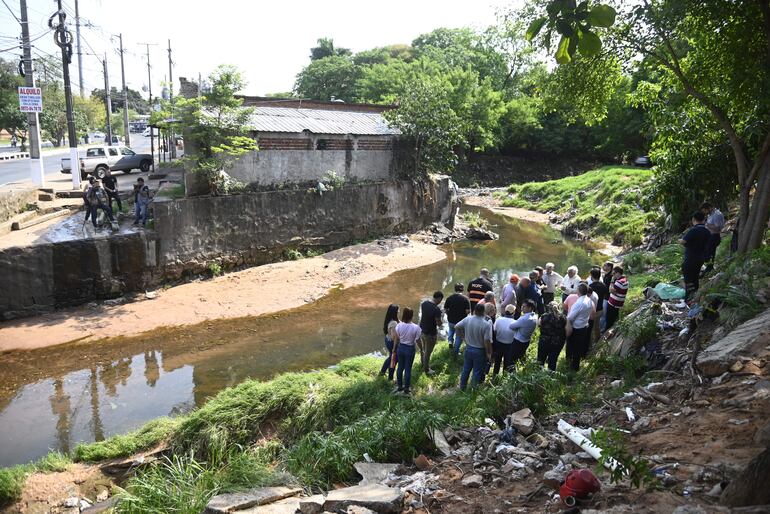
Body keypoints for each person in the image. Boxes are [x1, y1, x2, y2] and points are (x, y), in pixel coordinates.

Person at [455, 302, 493, 390]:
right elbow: (487, 341)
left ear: (475, 311)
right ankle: (473, 391)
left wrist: (462, 337)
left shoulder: (467, 319)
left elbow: (456, 327)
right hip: (480, 351)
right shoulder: (486, 324)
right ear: (483, 312)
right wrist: (489, 353)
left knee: (466, 369)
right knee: (477, 371)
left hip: (468, 348)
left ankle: (462, 388)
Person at [679, 211, 711, 299]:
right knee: (695, 277)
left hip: (691, 257)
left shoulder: (693, 230)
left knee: (688, 278)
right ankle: (695, 296)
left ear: (694, 219)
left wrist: (679, 240)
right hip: (701, 257)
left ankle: (689, 297)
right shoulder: (707, 231)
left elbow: (683, 241)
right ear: (704, 220)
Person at [565, 283, 594, 371]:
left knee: (572, 347)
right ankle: (575, 365)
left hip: (576, 329)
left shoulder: (579, 303)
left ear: (579, 291)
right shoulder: (589, 300)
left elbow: (570, 317)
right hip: (584, 326)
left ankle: (571, 365)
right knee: (579, 348)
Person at [393, 307, 421, 395]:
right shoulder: (416, 327)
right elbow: (418, 340)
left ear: (403, 315)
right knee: (408, 369)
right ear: (412, 316)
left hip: (400, 348)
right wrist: (422, 349)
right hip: (410, 349)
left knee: (400, 367)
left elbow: (396, 339)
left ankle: (399, 386)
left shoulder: (398, 325)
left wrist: (394, 349)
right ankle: (407, 388)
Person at [418, 291, 443, 374]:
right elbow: (439, 323)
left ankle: (423, 363)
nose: (440, 301)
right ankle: (427, 369)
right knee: (428, 352)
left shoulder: (424, 303)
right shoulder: (436, 309)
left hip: (422, 330)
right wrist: (440, 317)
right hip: (430, 333)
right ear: (439, 298)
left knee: (424, 349)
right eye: (441, 299)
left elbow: (427, 314)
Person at [538, 301, 567, 371]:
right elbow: (567, 330)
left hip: (544, 341)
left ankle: (538, 377)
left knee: (540, 361)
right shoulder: (563, 318)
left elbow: (539, 325)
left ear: (548, 308)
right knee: (553, 361)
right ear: (558, 308)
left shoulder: (544, 316)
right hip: (557, 342)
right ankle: (550, 377)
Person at [444, 283, 470, 355]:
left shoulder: (449, 298)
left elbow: (445, 309)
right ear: (462, 289)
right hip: (461, 322)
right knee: (459, 336)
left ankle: (450, 342)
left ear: (455, 289)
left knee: (451, 331)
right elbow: (468, 311)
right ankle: (455, 351)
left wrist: (449, 314)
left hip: (451, 320)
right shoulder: (465, 299)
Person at [701, 202, 725, 274]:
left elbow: (718, 228)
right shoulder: (710, 215)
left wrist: (707, 225)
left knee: (710, 253)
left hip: (714, 236)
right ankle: (709, 267)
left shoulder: (717, 215)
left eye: (705, 210)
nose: (704, 213)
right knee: (707, 252)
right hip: (710, 236)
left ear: (709, 208)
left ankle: (709, 268)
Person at [492, 304, 517, 375]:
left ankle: (494, 375)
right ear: (513, 312)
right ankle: (504, 376)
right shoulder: (515, 322)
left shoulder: (499, 320)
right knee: (507, 362)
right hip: (509, 345)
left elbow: (494, 331)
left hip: (498, 343)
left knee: (497, 361)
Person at [605, 266, 629, 331]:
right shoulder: (625, 280)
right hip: (617, 304)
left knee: (609, 321)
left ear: (618, 273)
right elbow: (614, 291)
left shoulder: (619, 282)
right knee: (614, 319)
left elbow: (610, 290)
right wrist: (614, 291)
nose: (613, 275)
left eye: (614, 273)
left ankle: (606, 335)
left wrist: (612, 281)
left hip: (613, 304)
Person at [588, 268, 608, 343]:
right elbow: (605, 294)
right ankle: (597, 341)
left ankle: (590, 343)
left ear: (592, 276)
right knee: (597, 326)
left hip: (592, 310)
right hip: (600, 308)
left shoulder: (590, 286)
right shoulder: (603, 285)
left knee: (590, 328)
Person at [379, 304, 399, 380]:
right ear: (395, 312)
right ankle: (390, 378)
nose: (399, 311)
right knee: (394, 359)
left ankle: (382, 372)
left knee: (391, 357)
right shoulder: (394, 323)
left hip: (387, 339)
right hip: (392, 342)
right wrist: (394, 348)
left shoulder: (389, 319)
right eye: (398, 310)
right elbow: (394, 338)